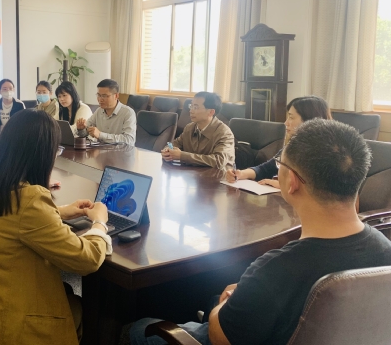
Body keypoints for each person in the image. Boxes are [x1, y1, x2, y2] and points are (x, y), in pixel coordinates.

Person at [130, 119, 391, 345]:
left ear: (292, 182)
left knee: (139, 328)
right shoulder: (385, 250)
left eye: (280, 164)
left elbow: (220, 337)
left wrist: (227, 303)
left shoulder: (276, 268)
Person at [0, 109, 112, 345]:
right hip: (4, 328)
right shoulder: (29, 199)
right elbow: (86, 260)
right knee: (78, 306)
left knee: (65, 291)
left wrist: (59, 211)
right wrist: (99, 223)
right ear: (42, 154)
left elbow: (8, 222)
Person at [225, 96, 331, 188]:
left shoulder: (326, 153)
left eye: (291, 117)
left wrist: (283, 185)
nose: (286, 123)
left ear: (309, 120)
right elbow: (266, 169)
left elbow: (319, 189)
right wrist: (241, 174)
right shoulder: (294, 146)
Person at [161, 92, 234, 170]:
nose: (191, 111)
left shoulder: (224, 133)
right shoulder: (189, 128)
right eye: (191, 106)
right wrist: (167, 150)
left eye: (195, 107)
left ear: (211, 112)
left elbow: (218, 161)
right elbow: (175, 144)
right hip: (193, 174)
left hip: (217, 175)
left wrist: (182, 156)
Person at [76, 79, 136, 145]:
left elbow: (129, 140)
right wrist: (81, 129)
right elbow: (85, 133)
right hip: (100, 150)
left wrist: (100, 135)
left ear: (116, 96)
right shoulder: (99, 111)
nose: (100, 99)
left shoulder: (128, 113)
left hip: (119, 151)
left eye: (104, 96)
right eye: (99, 95)